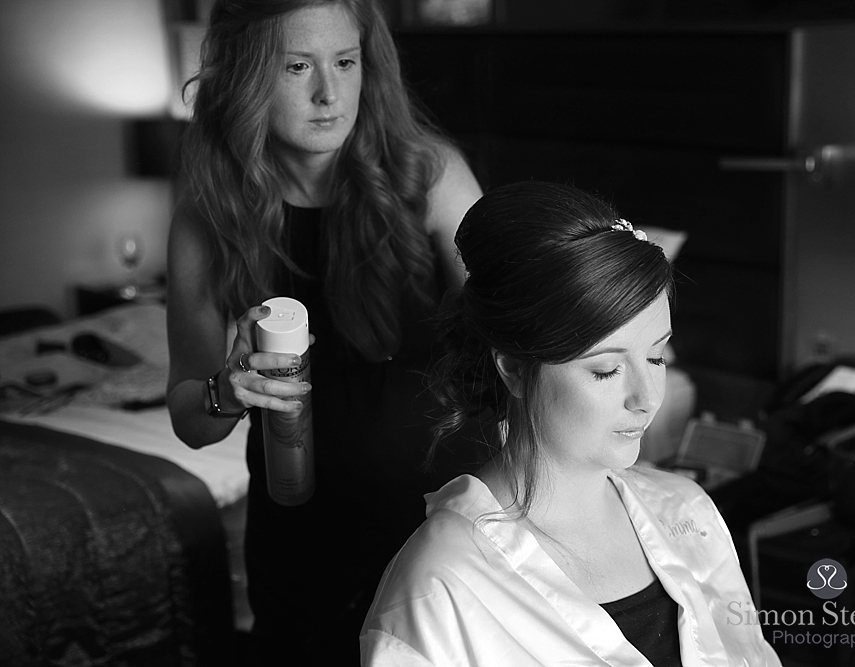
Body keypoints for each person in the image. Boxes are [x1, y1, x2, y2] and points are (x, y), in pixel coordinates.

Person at [164, 0, 483, 662]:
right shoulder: (210, 213)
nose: (329, 93)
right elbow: (190, 416)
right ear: (248, 75)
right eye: (296, 66)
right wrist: (227, 389)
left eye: (345, 61)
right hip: (297, 533)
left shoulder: (431, 174)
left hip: (442, 524)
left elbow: (517, 318)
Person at [360, 181, 782, 666]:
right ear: (514, 369)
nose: (647, 399)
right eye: (606, 369)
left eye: (657, 357)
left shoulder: (687, 512)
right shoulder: (436, 593)